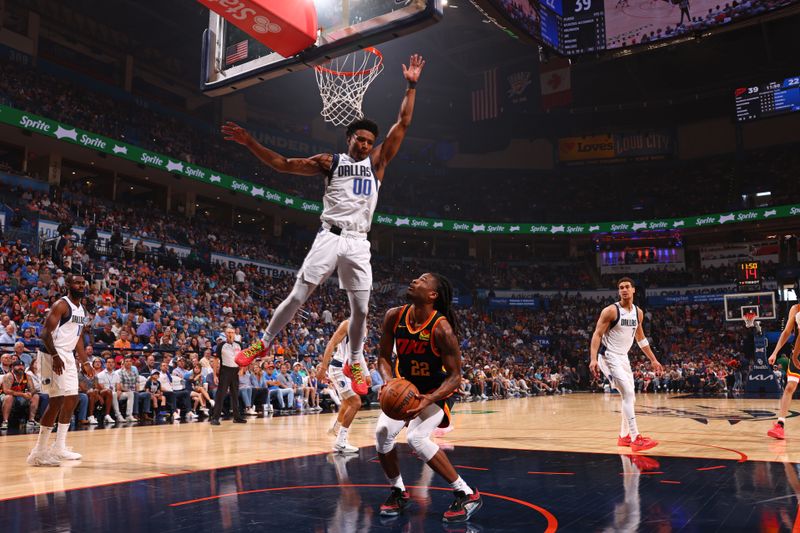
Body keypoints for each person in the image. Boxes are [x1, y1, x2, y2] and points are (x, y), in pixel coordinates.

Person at [222, 54, 427, 398]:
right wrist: (251, 143)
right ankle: (264, 342)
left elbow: (403, 123)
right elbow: (284, 164)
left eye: (368, 140)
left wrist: (411, 85)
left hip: (359, 241)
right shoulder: (329, 162)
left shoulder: (378, 161)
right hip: (329, 236)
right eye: (359, 138)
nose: (364, 144)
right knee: (299, 295)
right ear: (348, 138)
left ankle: (356, 359)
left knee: (361, 309)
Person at [374, 273, 482, 523]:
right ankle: (399, 491)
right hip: (405, 389)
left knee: (416, 437)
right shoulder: (394, 316)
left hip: (437, 392)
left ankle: (466, 493)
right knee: (381, 433)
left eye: (422, 280)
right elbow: (382, 358)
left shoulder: (441, 327)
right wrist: (389, 382)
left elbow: (455, 376)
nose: (414, 281)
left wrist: (428, 398)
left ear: (433, 295)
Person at [589, 277, 662, 452]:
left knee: (630, 397)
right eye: (621, 287)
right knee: (628, 394)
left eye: (627, 287)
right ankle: (636, 438)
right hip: (607, 357)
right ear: (618, 291)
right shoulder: (610, 311)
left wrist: (653, 359)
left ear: (633, 290)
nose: (624, 290)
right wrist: (592, 359)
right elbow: (597, 334)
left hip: (623, 357)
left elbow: (641, 339)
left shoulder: (638, 313)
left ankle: (624, 436)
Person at [27, 274, 92, 466]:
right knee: (57, 400)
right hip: (51, 354)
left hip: (68, 354)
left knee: (72, 397)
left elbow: (78, 337)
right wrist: (55, 356)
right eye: (76, 282)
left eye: (82, 283)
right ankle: (38, 453)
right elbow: (45, 333)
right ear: (69, 285)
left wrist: (85, 361)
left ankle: (59, 447)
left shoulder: (82, 309)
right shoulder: (61, 305)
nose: (80, 285)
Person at [317, 319, 370, 454]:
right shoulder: (347, 324)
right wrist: (323, 367)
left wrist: (366, 373)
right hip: (339, 367)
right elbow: (331, 343)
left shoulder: (365, 329)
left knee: (346, 403)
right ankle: (340, 442)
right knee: (356, 402)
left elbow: (359, 354)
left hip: (350, 369)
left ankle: (335, 429)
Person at [767, 303, 800, 440]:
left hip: (796, 353)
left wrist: (794, 355)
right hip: (797, 353)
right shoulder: (796, 309)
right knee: (789, 387)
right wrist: (775, 352)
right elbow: (787, 332)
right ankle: (780, 424)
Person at [210, 326, 245, 425]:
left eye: (232, 332)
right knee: (220, 395)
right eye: (228, 332)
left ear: (235, 334)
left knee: (235, 395)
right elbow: (216, 360)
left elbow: (243, 359)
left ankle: (237, 417)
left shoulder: (239, 345)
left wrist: (242, 369)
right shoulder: (221, 345)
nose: (230, 334)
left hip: (235, 371)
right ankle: (215, 418)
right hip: (225, 371)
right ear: (225, 334)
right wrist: (215, 375)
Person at [2, 360, 39, 429]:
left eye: (22, 366)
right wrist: (22, 394)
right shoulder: (9, 376)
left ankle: (31, 421)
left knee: (35, 396)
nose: (21, 367)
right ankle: (5, 421)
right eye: (18, 366)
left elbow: (33, 389)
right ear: (13, 367)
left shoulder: (27, 376)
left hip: (21, 396)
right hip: (5, 396)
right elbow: (6, 391)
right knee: (8, 397)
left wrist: (30, 393)